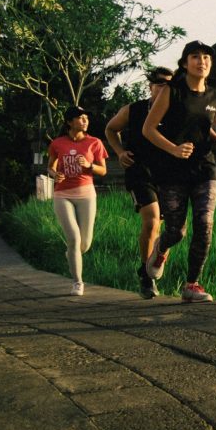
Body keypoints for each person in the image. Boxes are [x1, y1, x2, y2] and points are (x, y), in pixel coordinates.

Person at [142, 41, 216, 303]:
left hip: (204, 167)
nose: (201, 61)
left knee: (205, 224)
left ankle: (192, 284)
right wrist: (173, 149)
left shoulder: (215, 97)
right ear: (184, 63)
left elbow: (202, 125)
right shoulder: (172, 91)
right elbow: (149, 129)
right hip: (172, 170)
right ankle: (160, 249)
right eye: (195, 57)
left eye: (206, 57)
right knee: (176, 231)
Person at [104, 67, 173, 299]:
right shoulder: (133, 110)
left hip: (168, 175)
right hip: (139, 172)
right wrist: (119, 152)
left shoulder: (176, 112)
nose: (164, 88)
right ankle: (145, 274)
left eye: (169, 85)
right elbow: (111, 129)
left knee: (169, 229)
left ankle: (155, 264)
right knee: (152, 221)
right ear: (151, 86)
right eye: (160, 83)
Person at [47, 105, 109, 296]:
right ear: (69, 122)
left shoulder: (95, 143)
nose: (85, 121)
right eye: (81, 118)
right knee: (73, 238)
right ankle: (77, 282)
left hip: (86, 194)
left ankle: (71, 255)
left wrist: (89, 165)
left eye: (86, 118)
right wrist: (54, 175)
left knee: (85, 244)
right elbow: (50, 167)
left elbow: (103, 170)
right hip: (62, 194)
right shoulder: (57, 143)